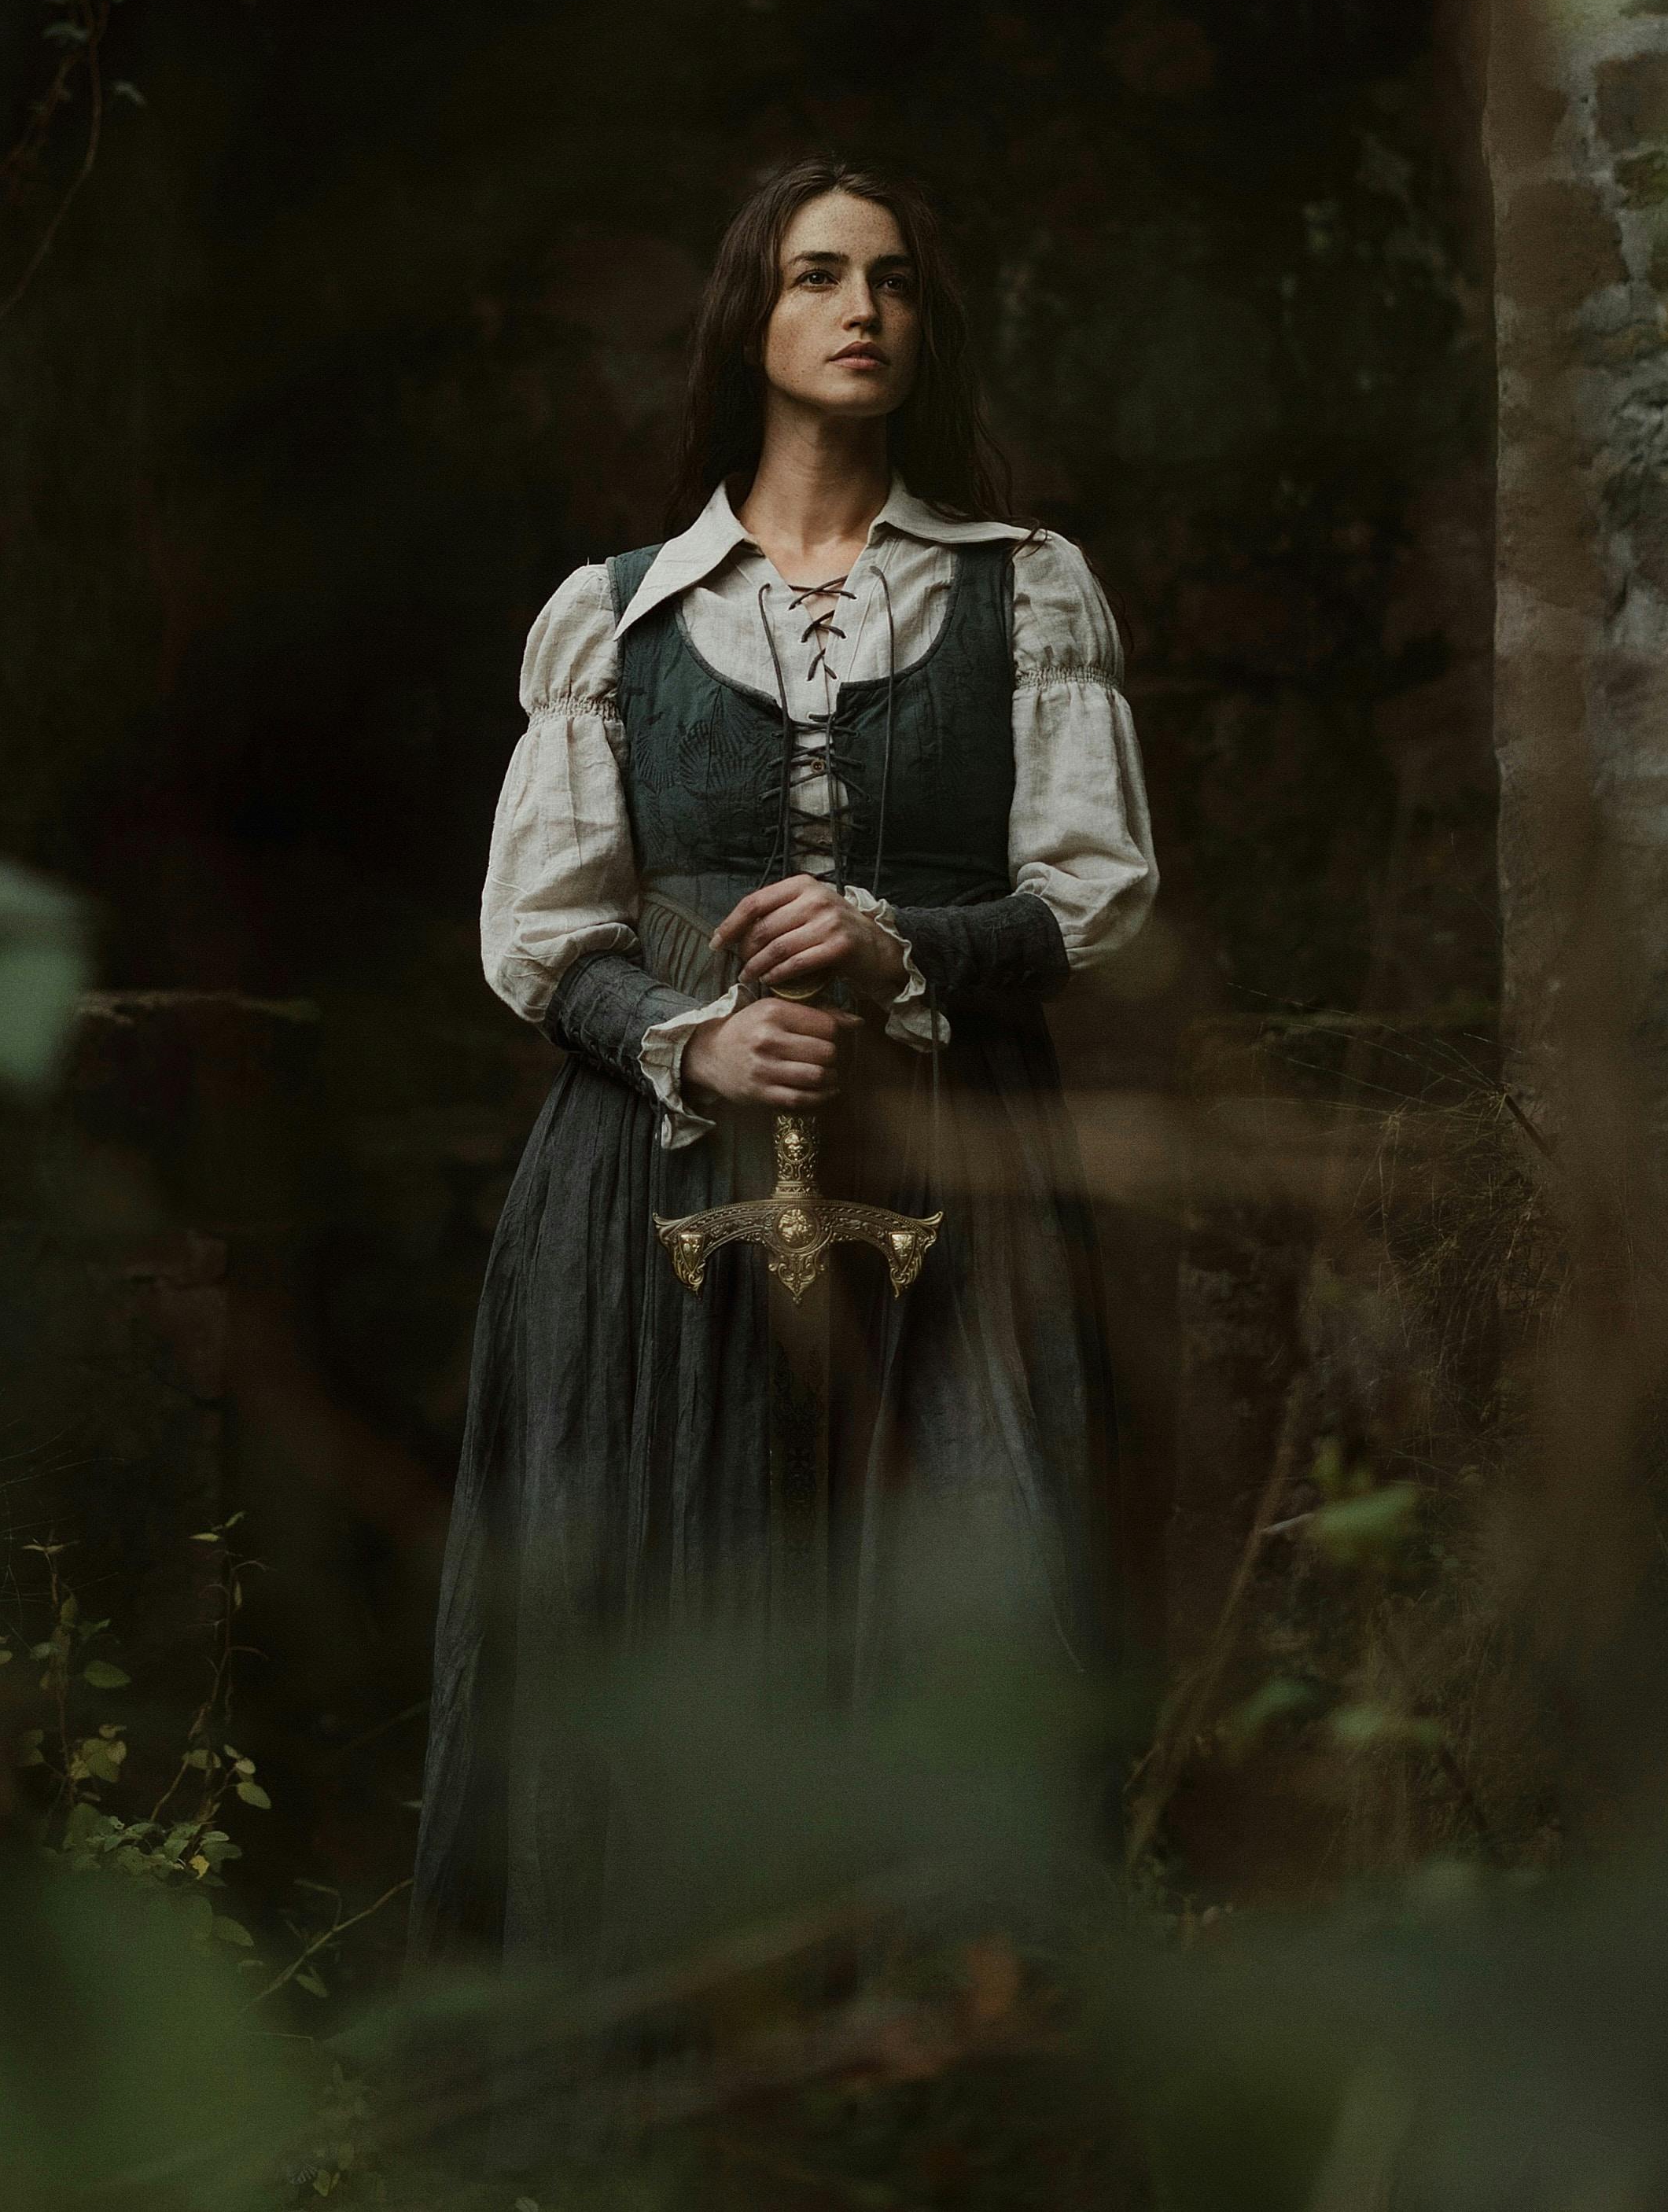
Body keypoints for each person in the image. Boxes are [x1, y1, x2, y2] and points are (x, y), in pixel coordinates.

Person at [410, 160, 1158, 1966]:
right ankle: (656, 2083)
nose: (865, 310)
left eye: (896, 279)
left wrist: (902, 938)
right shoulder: (619, 612)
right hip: (654, 1175)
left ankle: (959, 2089)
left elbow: (1098, 897)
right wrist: (696, 1033)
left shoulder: (1021, 588)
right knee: (668, 1609)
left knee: (983, 1600)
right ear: (754, 316)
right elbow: (540, 938)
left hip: (951, 1151)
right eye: (821, 275)